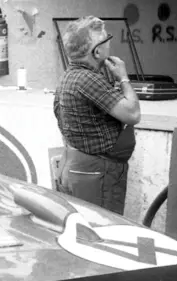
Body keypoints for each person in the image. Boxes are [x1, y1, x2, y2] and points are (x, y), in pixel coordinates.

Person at [53, 16, 141, 216]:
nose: (110, 44)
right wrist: (124, 77)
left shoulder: (70, 76)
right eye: (106, 40)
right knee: (102, 233)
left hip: (77, 168)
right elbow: (133, 114)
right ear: (97, 51)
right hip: (96, 174)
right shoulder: (88, 79)